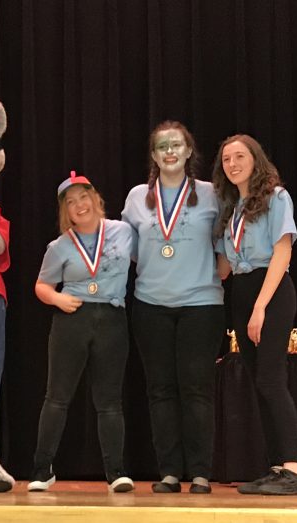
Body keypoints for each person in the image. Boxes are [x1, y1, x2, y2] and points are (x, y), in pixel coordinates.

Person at [120, 121, 224, 494]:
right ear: (153, 155)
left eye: (176, 145)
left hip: (202, 305)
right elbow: (125, 250)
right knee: (160, 389)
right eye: (161, 146)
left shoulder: (212, 195)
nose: (169, 151)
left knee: (196, 389)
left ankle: (199, 473)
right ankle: (168, 472)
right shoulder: (136, 198)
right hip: (151, 305)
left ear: (188, 151)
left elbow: (226, 244)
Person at [28, 172, 136, 493]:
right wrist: (58, 298)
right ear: (66, 212)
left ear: (95, 199)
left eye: (83, 197)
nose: (79, 205)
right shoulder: (58, 246)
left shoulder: (124, 232)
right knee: (57, 398)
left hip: (112, 319)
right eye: (71, 202)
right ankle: (41, 469)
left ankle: (116, 473)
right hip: (72, 319)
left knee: (110, 402)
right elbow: (41, 286)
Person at [213, 134, 297, 495]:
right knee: (259, 383)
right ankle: (277, 467)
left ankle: (294, 469)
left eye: (240, 156)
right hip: (241, 290)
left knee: (271, 379)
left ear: (256, 159)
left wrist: (260, 307)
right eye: (226, 160)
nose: (233, 164)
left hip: (271, 291)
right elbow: (223, 267)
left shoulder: (276, 197)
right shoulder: (231, 209)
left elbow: (282, 253)